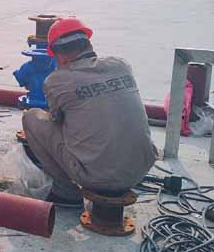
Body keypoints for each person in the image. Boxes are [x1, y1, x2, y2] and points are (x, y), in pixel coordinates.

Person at [22, 18, 157, 206]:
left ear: (60, 56)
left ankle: (66, 192)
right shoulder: (121, 65)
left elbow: (57, 121)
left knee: (31, 117)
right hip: (141, 168)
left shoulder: (56, 81)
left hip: (94, 177)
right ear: (89, 44)